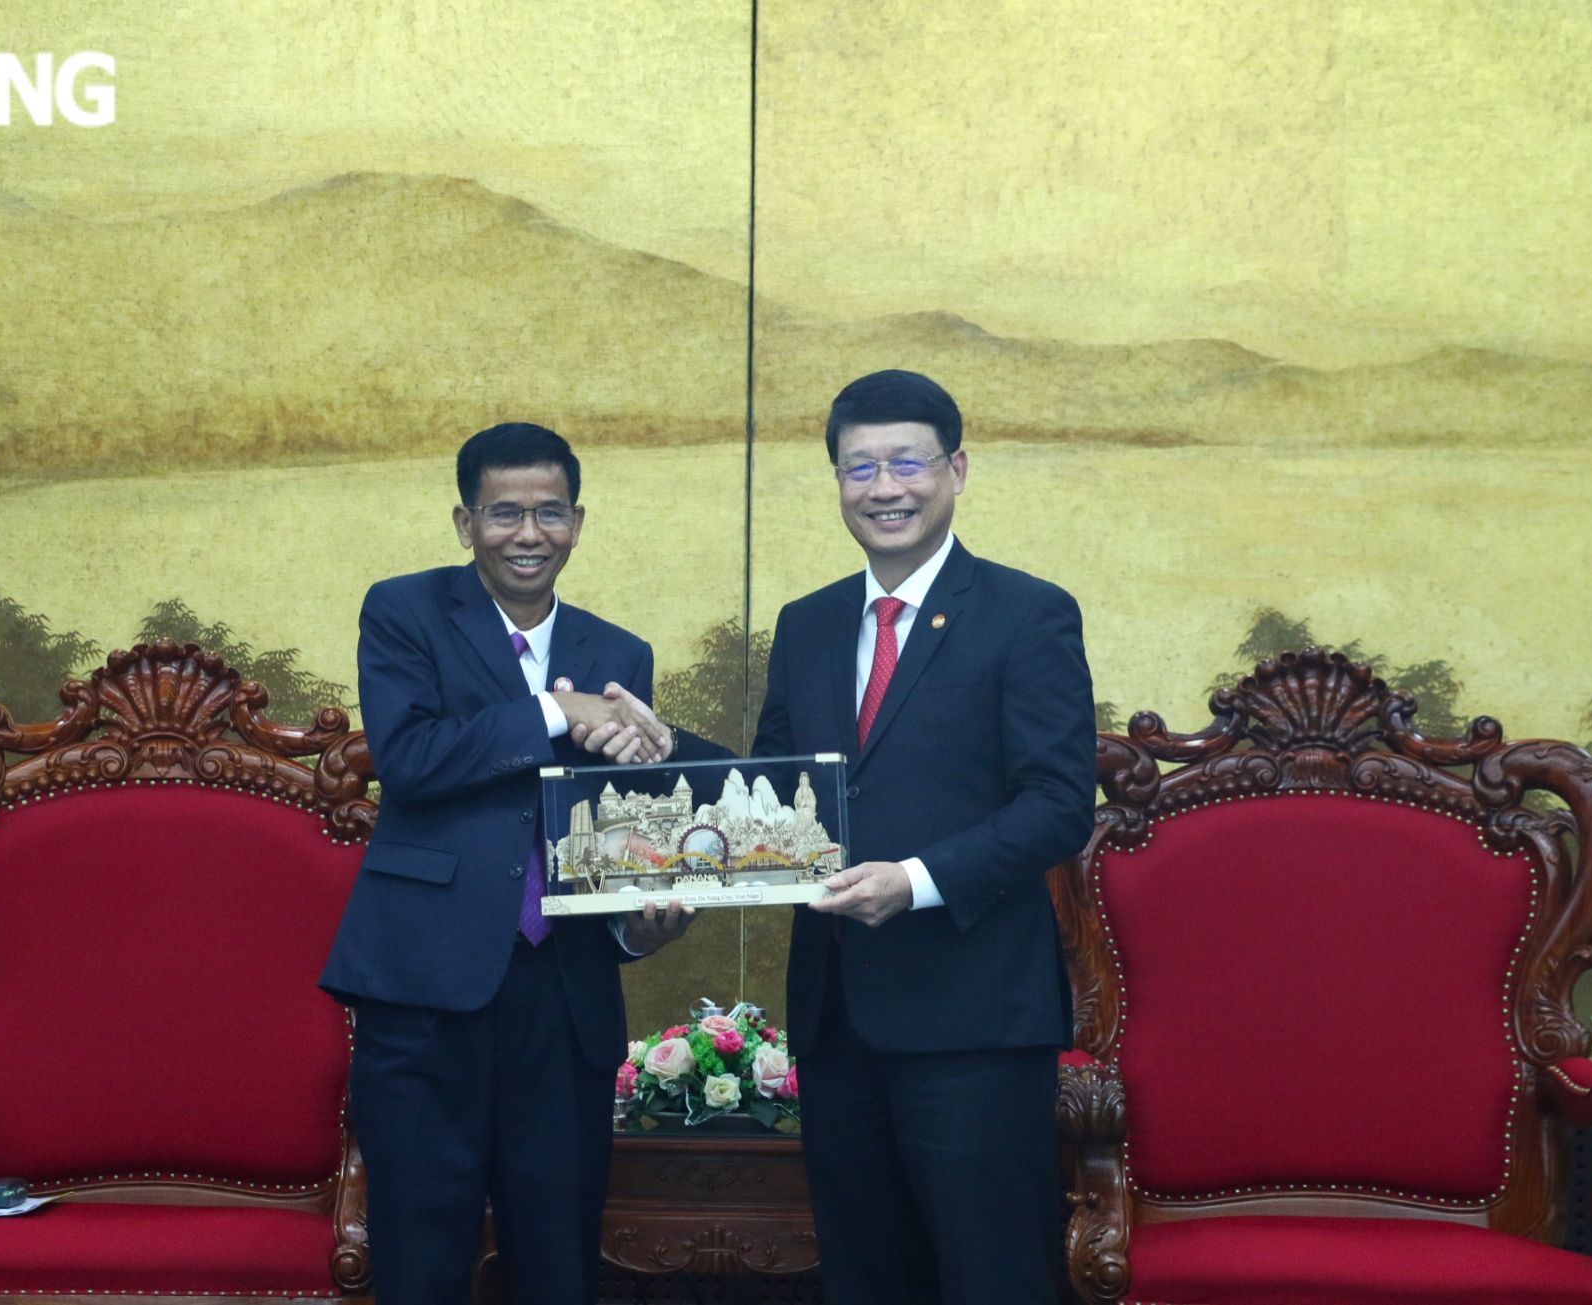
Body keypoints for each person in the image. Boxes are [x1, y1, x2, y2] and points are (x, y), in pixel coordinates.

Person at [319, 422, 691, 1305]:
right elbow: (411, 758)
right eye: (506, 513)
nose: (530, 533)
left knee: (558, 1261)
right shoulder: (404, 611)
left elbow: (619, 828)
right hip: (425, 993)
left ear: (578, 520)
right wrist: (557, 708)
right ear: (464, 521)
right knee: (421, 1263)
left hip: (563, 999)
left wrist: (639, 928)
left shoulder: (620, 652)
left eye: (550, 512)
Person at [750, 370, 1097, 1303]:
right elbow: (773, 790)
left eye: (907, 462)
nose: (884, 487)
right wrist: (658, 752)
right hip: (835, 1019)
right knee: (865, 1273)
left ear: (957, 469)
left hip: (973, 1016)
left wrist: (915, 878)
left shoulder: (1028, 613)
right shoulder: (809, 623)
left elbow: (1059, 802)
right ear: (836, 481)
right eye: (858, 467)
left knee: (993, 1272)